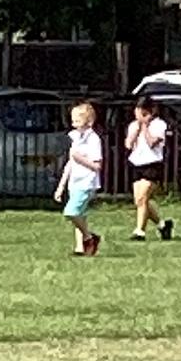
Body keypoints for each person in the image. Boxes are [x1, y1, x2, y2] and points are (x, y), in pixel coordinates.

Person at [55, 99, 106, 255]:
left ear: (89, 121)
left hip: (86, 182)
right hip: (74, 181)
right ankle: (80, 247)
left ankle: (89, 237)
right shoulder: (75, 137)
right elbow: (70, 163)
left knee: (71, 212)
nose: (74, 122)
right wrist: (61, 186)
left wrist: (80, 159)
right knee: (80, 214)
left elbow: (97, 165)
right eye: (73, 119)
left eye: (78, 119)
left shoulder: (93, 139)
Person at [125, 98, 175, 240]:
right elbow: (128, 144)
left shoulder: (159, 125)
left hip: (152, 164)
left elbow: (152, 143)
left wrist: (145, 127)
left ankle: (140, 231)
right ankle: (162, 225)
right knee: (140, 201)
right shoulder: (133, 125)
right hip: (136, 163)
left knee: (142, 198)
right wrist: (137, 128)